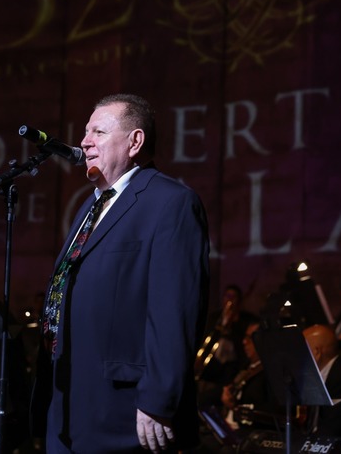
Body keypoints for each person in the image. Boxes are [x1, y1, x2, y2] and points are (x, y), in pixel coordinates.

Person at [32, 93, 210, 453]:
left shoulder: (170, 202)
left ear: (135, 141)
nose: (84, 142)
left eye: (98, 132)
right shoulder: (91, 205)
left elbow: (174, 310)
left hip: (124, 411)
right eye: (85, 132)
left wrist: (158, 399)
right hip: (68, 405)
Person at [196, 284, 258, 408]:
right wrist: (222, 326)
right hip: (213, 366)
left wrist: (231, 326)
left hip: (233, 368)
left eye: (233, 297)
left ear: (239, 301)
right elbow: (206, 340)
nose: (230, 300)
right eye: (227, 296)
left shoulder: (245, 320)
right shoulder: (214, 317)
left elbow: (243, 348)